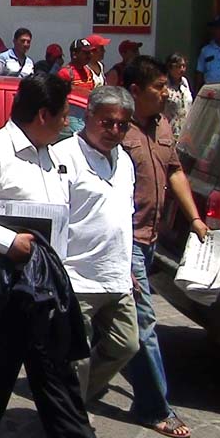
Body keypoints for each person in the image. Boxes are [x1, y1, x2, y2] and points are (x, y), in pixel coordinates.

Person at [0, 73, 132, 438]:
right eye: (63, 117)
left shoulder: (50, 156)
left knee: (62, 389)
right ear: (44, 114)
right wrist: (6, 241)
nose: (68, 125)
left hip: (45, 294)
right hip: (3, 297)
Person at [121, 55, 208, 438]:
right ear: (136, 91)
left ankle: (79, 383)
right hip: (128, 241)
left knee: (114, 324)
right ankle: (155, 405)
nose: (166, 93)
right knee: (145, 324)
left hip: (153, 238)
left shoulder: (163, 126)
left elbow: (175, 171)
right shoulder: (117, 131)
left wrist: (194, 219)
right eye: (159, 87)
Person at [51, 86, 140, 403]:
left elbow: (122, 218)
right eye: (107, 122)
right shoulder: (63, 157)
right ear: (87, 116)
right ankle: (71, 419)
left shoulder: (125, 161)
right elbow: (56, 220)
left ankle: (74, 402)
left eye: (123, 125)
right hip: (77, 278)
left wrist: (126, 265)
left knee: (126, 344)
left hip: (115, 278)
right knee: (77, 359)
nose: (114, 130)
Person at [163, 53, 193, 135]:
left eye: (184, 66)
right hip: (170, 129)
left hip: (186, 128)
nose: (182, 69)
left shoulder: (184, 82)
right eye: (178, 66)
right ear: (170, 68)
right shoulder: (164, 84)